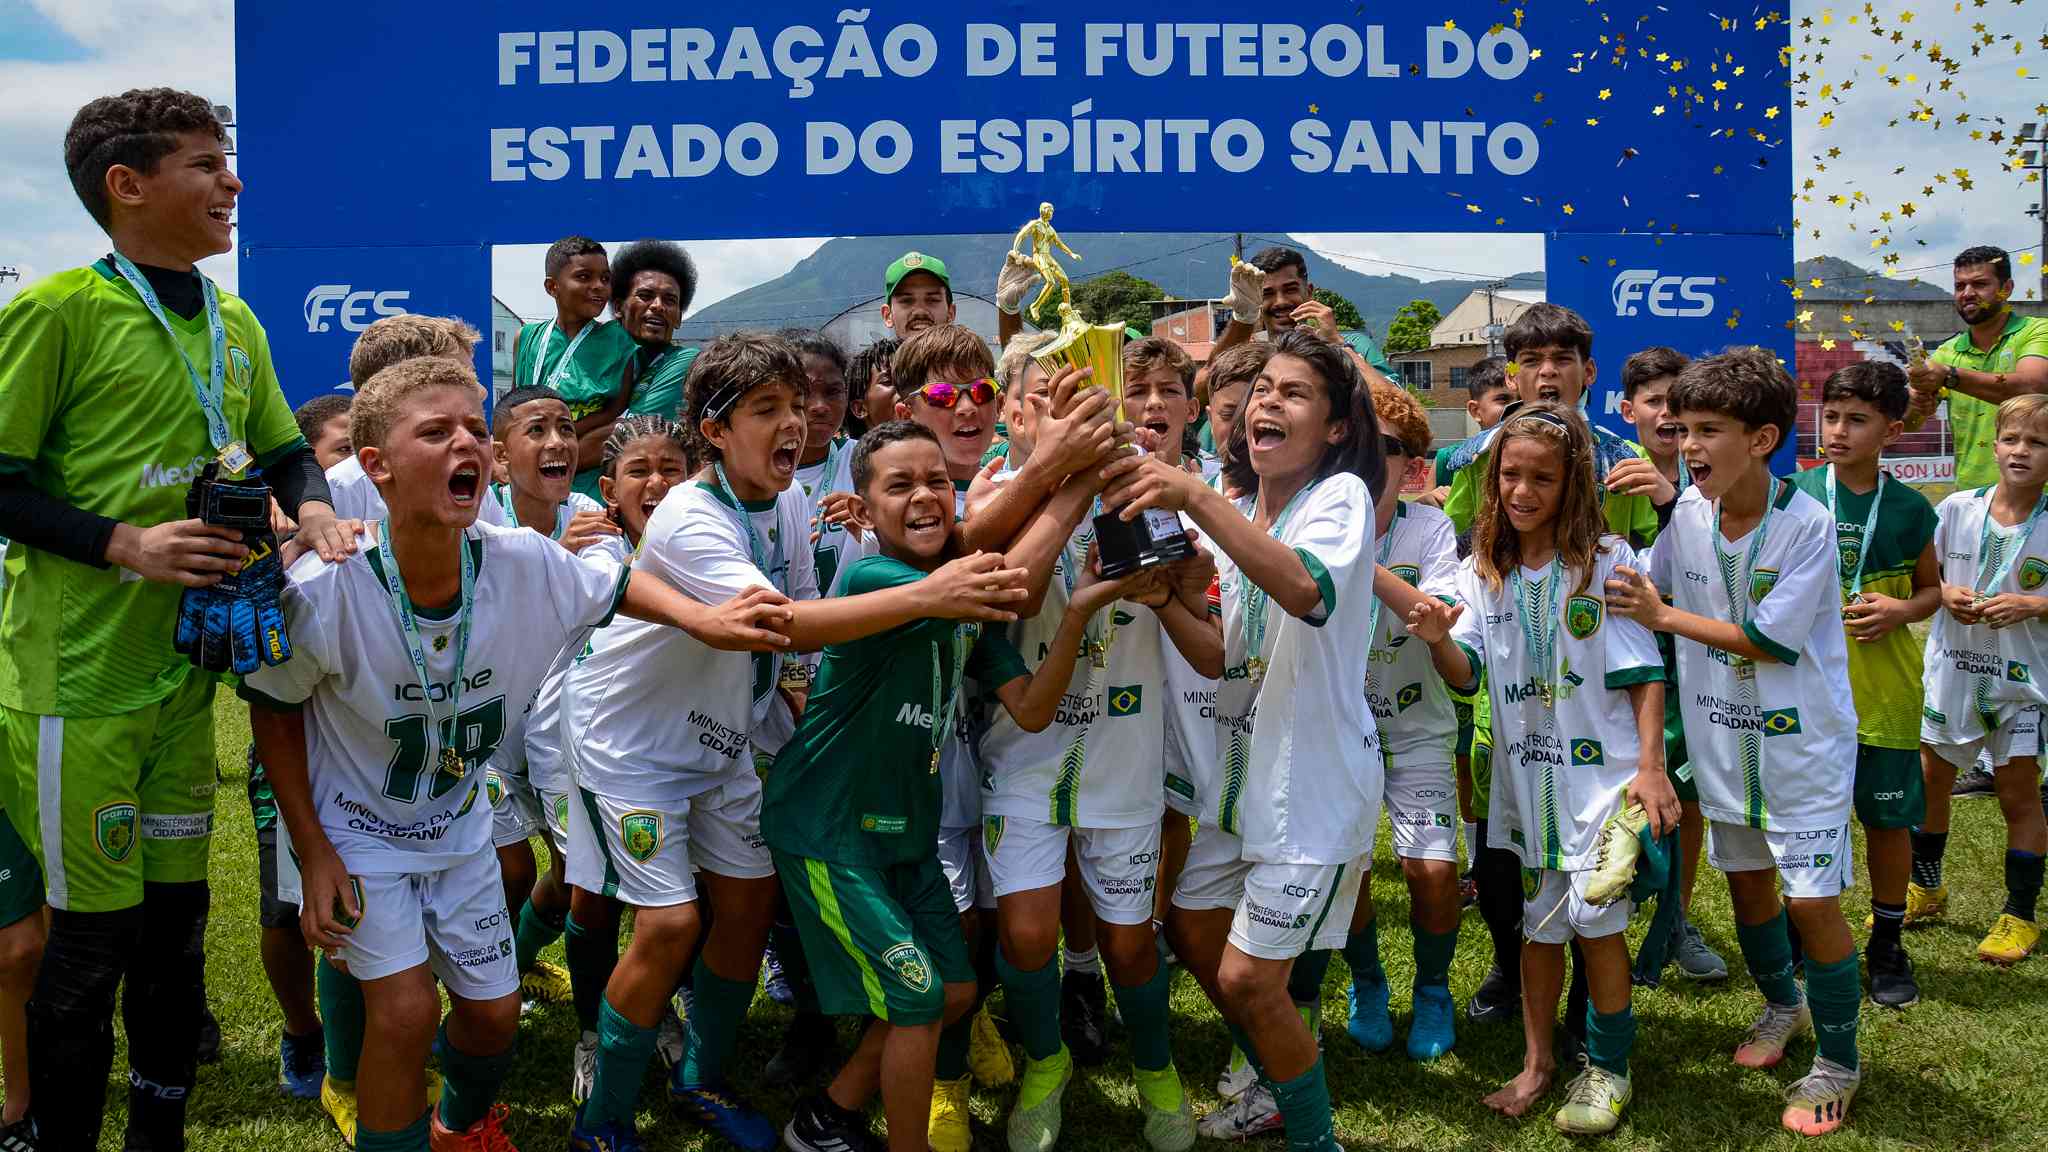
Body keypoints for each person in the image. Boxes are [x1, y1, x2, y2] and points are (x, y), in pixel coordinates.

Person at [245, 355, 791, 1152]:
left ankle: (458, 1127)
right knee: (403, 1015)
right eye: (435, 431)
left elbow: (609, 587)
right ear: (376, 468)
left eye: (473, 427)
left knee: (494, 1018)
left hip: (458, 825)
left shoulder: (520, 565)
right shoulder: (332, 591)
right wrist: (315, 848)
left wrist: (702, 621)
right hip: (362, 831)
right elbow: (272, 705)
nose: (464, 441)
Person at [562, 332, 1032, 1152]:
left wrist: (817, 704)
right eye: (766, 410)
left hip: (722, 741)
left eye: (800, 404)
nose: (796, 422)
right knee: (670, 927)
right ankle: (601, 1119)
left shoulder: (783, 500)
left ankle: (701, 1077)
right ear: (712, 430)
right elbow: (776, 626)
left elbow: (806, 625)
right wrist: (936, 591)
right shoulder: (686, 515)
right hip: (630, 745)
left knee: (746, 905)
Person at [0, 87, 350, 1151]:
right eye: (206, 164)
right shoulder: (57, 309)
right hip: (77, 690)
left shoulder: (233, 319)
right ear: (127, 183)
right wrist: (127, 544)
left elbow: (284, 447)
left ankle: (160, 1136)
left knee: (175, 936)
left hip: (182, 682)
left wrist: (320, 512)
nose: (232, 182)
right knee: (88, 944)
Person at [768, 419, 1139, 1152]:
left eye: (937, 481)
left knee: (958, 991)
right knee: (916, 1000)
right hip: (831, 830)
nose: (924, 497)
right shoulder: (879, 576)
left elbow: (1032, 709)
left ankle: (827, 1119)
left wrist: (1086, 606)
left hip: (903, 833)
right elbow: (1012, 583)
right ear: (864, 509)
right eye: (899, 485)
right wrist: (1077, 479)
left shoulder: (959, 602)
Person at [1106, 329, 1385, 1152]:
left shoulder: (1340, 498)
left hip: (1316, 785)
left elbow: (1304, 591)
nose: (1267, 400)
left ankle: (1311, 1134)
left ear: (1335, 428)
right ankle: (1274, 1060)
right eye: (1263, 387)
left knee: (1244, 976)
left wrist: (1196, 499)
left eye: (1294, 393)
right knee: (1193, 931)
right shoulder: (1253, 511)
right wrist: (1162, 599)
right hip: (1245, 786)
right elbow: (1224, 655)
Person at [1606, 347, 1864, 1136]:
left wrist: (1662, 619)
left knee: (1811, 901)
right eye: (1683, 429)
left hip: (1802, 748)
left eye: (1708, 430)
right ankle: (1782, 1007)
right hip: (1723, 743)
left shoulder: (1809, 524)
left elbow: (1769, 641)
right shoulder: (1686, 513)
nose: (1687, 447)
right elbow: (1644, 588)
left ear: (1763, 438)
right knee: (1749, 887)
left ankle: (1840, 1061)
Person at [974, 336, 1215, 1152]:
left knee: (1126, 938)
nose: (1073, 414)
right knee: (1030, 935)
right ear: (1017, 410)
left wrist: (1183, 588)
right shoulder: (998, 494)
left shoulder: (1158, 490)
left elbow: (1204, 631)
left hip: (1124, 751)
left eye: (1087, 396)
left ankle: (1156, 1069)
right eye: (1051, 398)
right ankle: (1046, 1065)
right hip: (1024, 748)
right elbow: (1012, 589)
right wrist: (1069, 482)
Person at [1408, 402, 1674, 1135]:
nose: (1523, 492)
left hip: (1604, 782)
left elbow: (1644, 674)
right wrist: (1435, 639)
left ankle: (1608, 1069)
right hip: (1526, 790)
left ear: (1573, 485)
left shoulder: (1608, 562)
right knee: (1538, 930)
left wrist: (1651, 770)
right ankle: (1536, 1064)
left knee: (1597, 928)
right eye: (1511, 476)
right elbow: (1466, 675)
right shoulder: (1479, 570)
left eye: (1543, 479)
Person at [1788, 363, 1939, 1006]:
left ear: (1892, 430)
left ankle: (1887, 940)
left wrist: (1901, 609)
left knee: (1884, 823)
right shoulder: (1794, 493)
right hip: (1808, 695)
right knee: (1802, 819)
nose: (1838, 431)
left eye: (1857, 420)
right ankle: (1802, 931)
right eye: (1830, 417)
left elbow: (1931, 591)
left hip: (1884, 694)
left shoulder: (1908, 509)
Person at [554, 417, 694, 1108]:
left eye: (672, 467)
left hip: (687, 744)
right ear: (608, 488)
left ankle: (654, 1011)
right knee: (594, 892)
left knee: (675, 901)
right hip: (596, 744)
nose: (658, 481)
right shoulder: (590, 548)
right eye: (640, 470)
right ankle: (591, 1032)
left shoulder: (705, 539)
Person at [482, 385, 623, 1013]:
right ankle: (480, 990)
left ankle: (515, 958)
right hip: (485, 733)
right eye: (536, 430)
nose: (558, 442)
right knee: (507, 873)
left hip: (559, 728)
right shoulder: (477, 521)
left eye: (566, 428)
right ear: (500, 458)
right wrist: (547, 563)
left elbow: (606, 600)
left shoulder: (590, 516)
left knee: (575, 875)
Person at [1339, 381, 1465, 1065]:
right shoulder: (1316, 518)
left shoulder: (1429, 527)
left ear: (1412, 469)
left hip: (1417, 723)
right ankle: (1366, 981)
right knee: (1352, 867)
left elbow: (1438, 611)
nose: (1361, 458)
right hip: (1341, 727)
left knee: (1432, 872)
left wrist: (1369, 564)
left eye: (1379, 449)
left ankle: (1434, 989)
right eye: (1350, 442)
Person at [1914, 393, 2048, 967]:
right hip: (1955, 670)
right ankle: (1926, 886)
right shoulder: (1957, 509)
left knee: (2017, 792)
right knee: (1931, 780)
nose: (2021, 451)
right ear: (1993, 446)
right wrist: (1945, 593)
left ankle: (2019, 915)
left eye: (2038, 443)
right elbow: (1928, 579)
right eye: (2012, 439)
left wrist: (2031, 604)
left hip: (2022, 682)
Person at [1617, 346, 1728, 985]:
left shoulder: (1714, 481)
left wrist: (1670, 502)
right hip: (1609, 659)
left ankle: (1675, 923)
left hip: (1691, 659)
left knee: (1683, 794)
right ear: (1628, 410)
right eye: (1655, 402)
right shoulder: (1603, 467)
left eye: (1678, 404)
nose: (1667, 416)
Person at [1904, 245, 2048, 490]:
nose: (1967, 293)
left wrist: (1949, 376)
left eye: (1979, 284)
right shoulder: (1945, 353)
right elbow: (1910, 423)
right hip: (1973, 498)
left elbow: (2032, 386)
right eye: (1960, 286)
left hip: (2040, 497)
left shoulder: (2037, 331)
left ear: (2006, 289)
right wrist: (1916, 402)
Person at [510, 237, 640, 500]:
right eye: (584, 277)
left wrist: (553, 432)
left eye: (605, 278)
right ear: (552, 286)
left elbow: (614, 410)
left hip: (586, 484)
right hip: (524, 483)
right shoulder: (526, 337)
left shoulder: (620, 340)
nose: (598, 287)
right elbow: (515, 405)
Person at [1209, 246, 1391, 386]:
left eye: (1290, 289)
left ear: (1309, 292)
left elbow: (1401, 409)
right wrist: (1243, 317)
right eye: (1267, 293)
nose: (1280, 302)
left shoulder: (1356, 345)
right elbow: (1204, 390)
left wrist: (1338, 347)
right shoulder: (1248, 357)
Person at [882, 252, 956, 337]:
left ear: (950, 313)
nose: (920, 311)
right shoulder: (872, 351)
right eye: (907, 301)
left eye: (932, 300)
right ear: (888, 315)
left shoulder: (972, 350)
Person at [846, 337, 900, 437]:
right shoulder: (846, 452)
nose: (905, 388)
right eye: (887, 381)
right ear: (860, 408)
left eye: (912, 380)